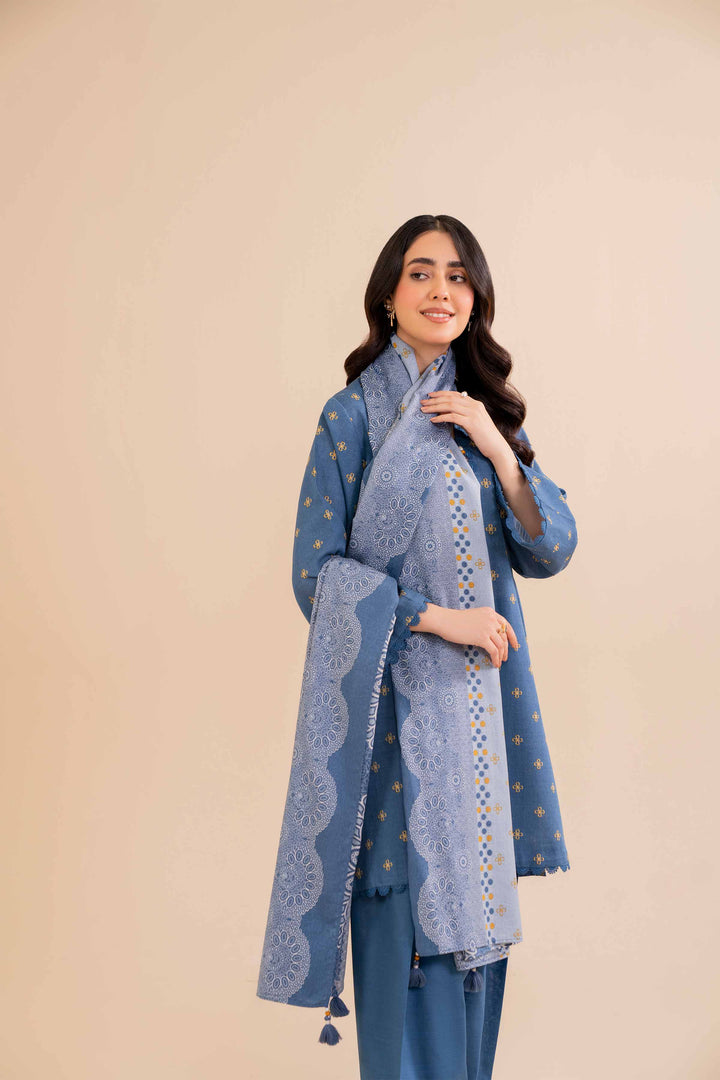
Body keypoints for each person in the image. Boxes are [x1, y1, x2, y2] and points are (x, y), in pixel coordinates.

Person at [257, 214, 578, 1080]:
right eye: (421, 272)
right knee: (407, 943)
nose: (442, 290)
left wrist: (496, 447)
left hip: (483, 734)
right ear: (388, 296)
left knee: (474, 968)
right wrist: (441, 619)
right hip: (394, 727)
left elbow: (552, 546)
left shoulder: (481, 419)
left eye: (458, 276)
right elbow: (318, 578)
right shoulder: (350, 418)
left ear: (477, 299)